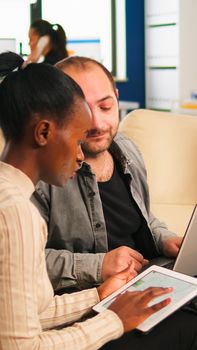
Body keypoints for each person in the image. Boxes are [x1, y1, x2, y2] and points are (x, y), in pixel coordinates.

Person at [0, 51, 178, 350]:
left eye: (105, 105)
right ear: (44, 131)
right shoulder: (16, 211)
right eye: (78, 137)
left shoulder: (12, 194)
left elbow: (30, 313)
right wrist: (113, 320)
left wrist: (100, 296)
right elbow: (21, 346)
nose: (81, 155)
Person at [32, 56, 182, 294]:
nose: (97, 123)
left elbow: (141, 216)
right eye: (79, 109)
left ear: (116, 97)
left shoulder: (127, 149)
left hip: (144, 281)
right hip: (87, 300)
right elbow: (23, 263)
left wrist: (165, 239)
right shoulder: (38, 173)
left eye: (105, 106)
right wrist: (99, 266)